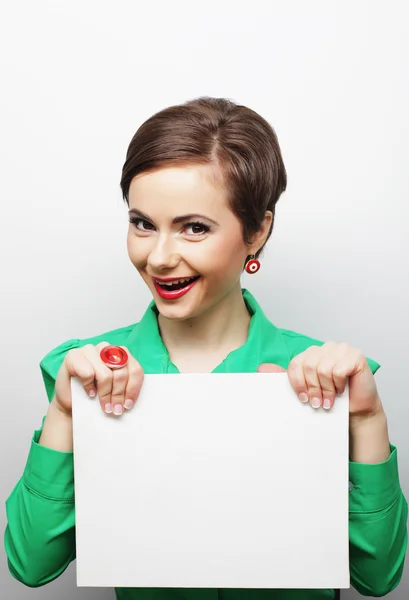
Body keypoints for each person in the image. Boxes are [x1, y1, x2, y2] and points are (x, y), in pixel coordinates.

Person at [4, 97, 408, 600]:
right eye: (142, 223)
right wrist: (66, 411)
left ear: (257, 231)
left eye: (194, 228)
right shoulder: (86, 372)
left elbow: (379, 576)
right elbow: (30, 564)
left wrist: (366, 421)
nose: (159, 256)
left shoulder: (331, 376)